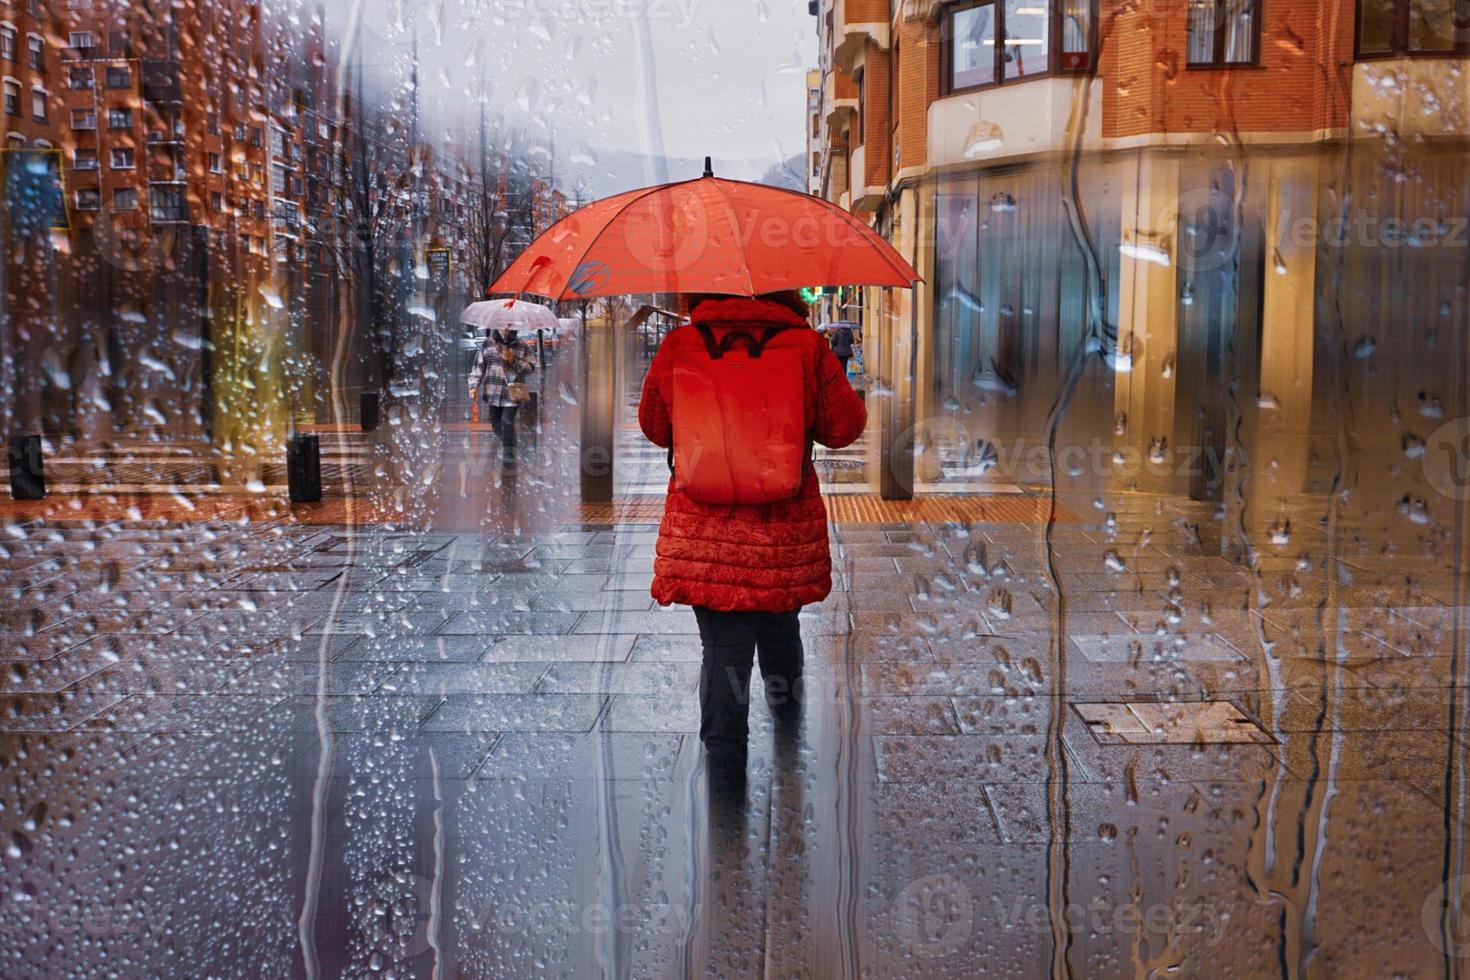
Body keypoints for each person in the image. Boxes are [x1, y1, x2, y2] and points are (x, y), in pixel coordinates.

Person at [637, 291, 867, 760]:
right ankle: (789, 740)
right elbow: (842, 429)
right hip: (782, 532)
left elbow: (655, 427)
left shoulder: (681, 345)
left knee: (723, 652)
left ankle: (725, 794)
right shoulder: (806, 347)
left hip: (704, 531)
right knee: (781, 631)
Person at [468, 328, 535, 466]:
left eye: (509, 325)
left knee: (507, 421)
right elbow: (479, 366)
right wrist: (473, 386)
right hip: (493, 391)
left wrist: (513, 359)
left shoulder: (522, 345)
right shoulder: (488, 344)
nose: (505, 328)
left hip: (513, 392)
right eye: (502, 325)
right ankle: (507, 438)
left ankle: (509, 452)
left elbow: (531, 368)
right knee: (496, 425)